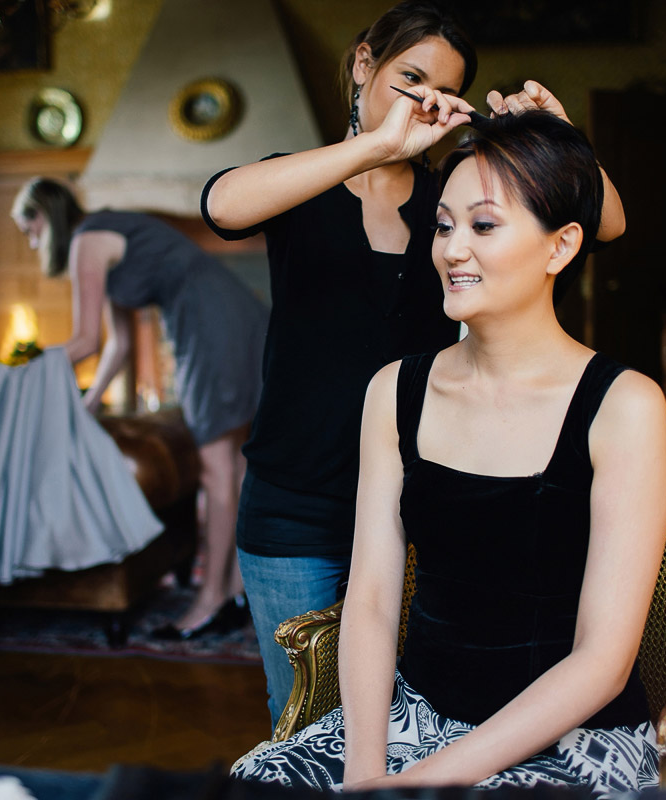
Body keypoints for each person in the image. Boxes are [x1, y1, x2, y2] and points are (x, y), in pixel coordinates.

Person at [201, 0, 627, 727]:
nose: (424, 100)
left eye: (441, 89)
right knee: (300, 715)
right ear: (364, 64)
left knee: (408, 708)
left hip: (419, 504)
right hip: (294, 505)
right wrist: (373, 148)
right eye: (410, 78)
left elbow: (607, 224)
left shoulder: (449, 207)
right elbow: (220, 205)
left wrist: (562, 136)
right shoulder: (302, 184)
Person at [232, 109, 666, 796]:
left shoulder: (626, 405)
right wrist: (365, 771)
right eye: (443, 225)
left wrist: (422, 786)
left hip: (572, 735)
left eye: (484, 225)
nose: (451, 249)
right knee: (250, 783)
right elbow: (373, 601)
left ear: (561, 247)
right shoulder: (395, 391)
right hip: (417, 715)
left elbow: (601, 663)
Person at [10, 178, 267, 638]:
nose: (31, 242)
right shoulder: (104, 233)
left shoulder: (86, 242)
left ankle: (208, 601)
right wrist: (90, 402)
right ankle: (231, 590)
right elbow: (118, 345)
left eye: (29, 231)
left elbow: (86, 340)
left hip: (206, 321)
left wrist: (24, 370)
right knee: (235, 462)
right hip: (232, 311)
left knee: (217, 468)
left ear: (44, 217)